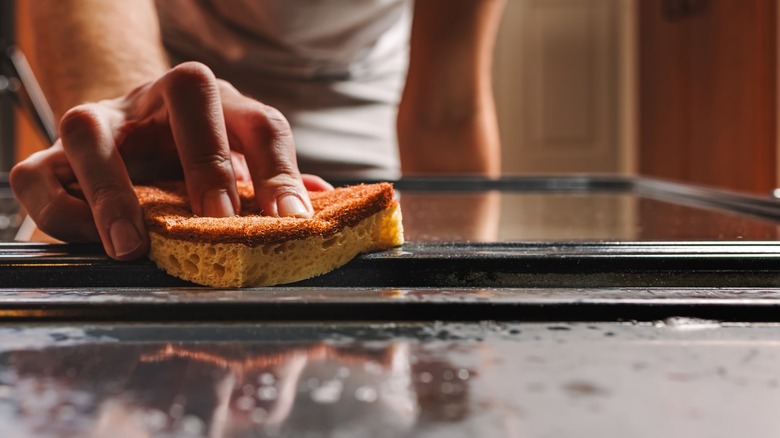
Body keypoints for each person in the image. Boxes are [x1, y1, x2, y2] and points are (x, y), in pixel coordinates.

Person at [9, 0, 504, 261]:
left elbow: (445, 111)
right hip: (169, 117)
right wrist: (130, 152)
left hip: (360, 143)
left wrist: (460, 297)